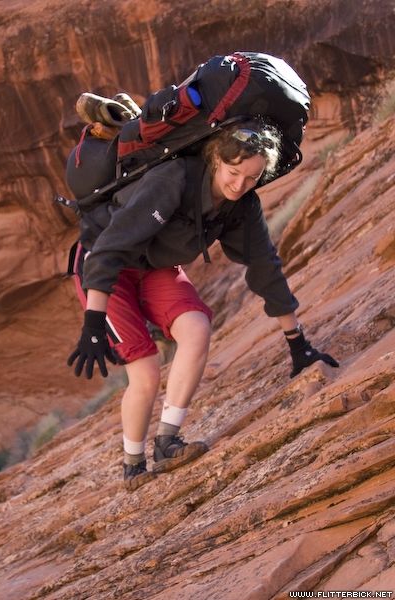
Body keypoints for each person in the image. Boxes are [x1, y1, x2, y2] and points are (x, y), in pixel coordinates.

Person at [67, 117, 339, 491]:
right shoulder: (174, 179)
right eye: (233, 172)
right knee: (145, 371)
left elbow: (266, 270)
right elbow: (110, 249)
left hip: (156, 267)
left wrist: (299, 345)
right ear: (215, 158)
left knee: (196, 328)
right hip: (105, 263)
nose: (240, 185)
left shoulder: (242, 205)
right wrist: (93, 324)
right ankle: (133, 467)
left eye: (251, 178)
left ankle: (167, 442)